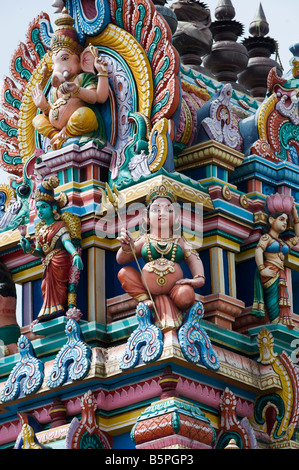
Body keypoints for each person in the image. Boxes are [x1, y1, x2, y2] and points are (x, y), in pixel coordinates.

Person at [116, 183, 205, 330]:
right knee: (124, 273)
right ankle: (144, 299)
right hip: (147, 289)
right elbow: (120, 260)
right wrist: (126, 248)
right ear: (147, 217)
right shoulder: (145, 240)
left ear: (176, 217)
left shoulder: (180, 241)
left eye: (168, 210)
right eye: (156, 209)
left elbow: (195, 260)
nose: (162, 213)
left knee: (187, 294)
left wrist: (196, 280)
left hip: (175, 291)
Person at [20, 176, 83, 322]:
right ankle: (49, 310)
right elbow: (41, 252)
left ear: (53, 208)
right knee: (45, 286)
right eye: (37, 208)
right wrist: (29, 249)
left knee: (60, 286)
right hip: (48, 263)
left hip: (60, 260)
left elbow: (66, 242)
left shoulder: (60, 225)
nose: (40, 211)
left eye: (43, 207)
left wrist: (75, 254)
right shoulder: (41, 230)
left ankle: (59, 308)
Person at [251, 203, 299, 329]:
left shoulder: (282, 242)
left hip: (279, 274)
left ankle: (278, 324)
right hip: (270, 272)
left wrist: (295, 215)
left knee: (280, 301)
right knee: (273, 302)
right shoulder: (266, 237)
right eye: (281, 219)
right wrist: (262, 269)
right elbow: (258, 250)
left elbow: (298, 237)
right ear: (272, 220)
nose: (284, 223)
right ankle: (274, 323)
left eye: (286, 221)